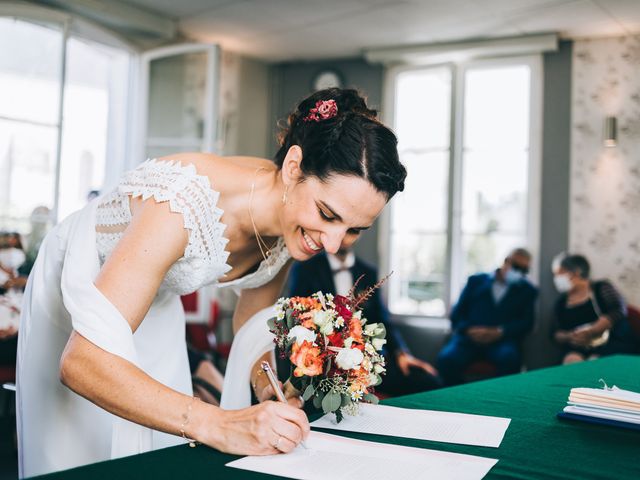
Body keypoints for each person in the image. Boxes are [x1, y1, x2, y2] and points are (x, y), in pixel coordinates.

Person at [16, 88, 407, 477]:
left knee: (156, 446)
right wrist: (219, 424)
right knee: (82, 447)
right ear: (293, 167)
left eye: (355, 230)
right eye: (327, 213)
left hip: (154, 301)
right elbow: (81, 363)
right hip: (76, 289)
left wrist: (265, 384)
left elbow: (251, 321)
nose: (333, 243)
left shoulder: (293, 223)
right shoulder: (178, 203)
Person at [288, 248, 442, 396]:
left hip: (370, 360)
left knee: (428, 382)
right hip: (325, 363)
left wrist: (401, 352)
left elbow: (382, 319)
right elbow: (297, 314)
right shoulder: (305, 269)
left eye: (352, 230)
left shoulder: (368, 272)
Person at [436, 248, 538, 385]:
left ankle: (499, 401)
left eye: (524, 270)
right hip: (468, 340)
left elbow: (527, 323)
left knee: (510, 359)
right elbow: (456, 314)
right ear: (506, 262)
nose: (519, 273)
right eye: (517, 267)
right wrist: (469, 330)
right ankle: (458, 398)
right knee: (446, 359)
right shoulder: (475, 281)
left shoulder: (528, 290)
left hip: (502, 342)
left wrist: (499, 332)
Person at [550, 253, 635, 364]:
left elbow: (619, 310)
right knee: (571, 360)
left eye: (560, 273)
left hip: (611, 342)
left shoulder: (602, 287)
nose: (556, 279)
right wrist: (570, 336)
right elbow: (554, 333)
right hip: (578, 347)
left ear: (576, 272)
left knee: (596, 362)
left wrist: (592, 331)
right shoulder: (561, 302)